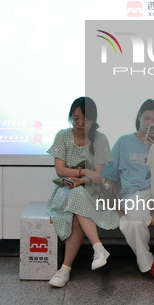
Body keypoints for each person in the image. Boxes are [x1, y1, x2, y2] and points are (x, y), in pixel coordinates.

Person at [46, 97, 120, 288]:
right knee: (76, 198)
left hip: (93, 191)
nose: (79, 123)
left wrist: (82, 179)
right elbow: (60, 171)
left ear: (94, 119)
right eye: (75, 118)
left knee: (78, 204)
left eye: (84, 120)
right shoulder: (62, 136)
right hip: (65, 191)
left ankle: (65, 270)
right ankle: (98, 247)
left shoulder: (100, 139)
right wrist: (83, 172)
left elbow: (97, 176)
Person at [102, 99, 154, 281]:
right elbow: (108, 178)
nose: (151, 123)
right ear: (139, 118)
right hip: (135, 195)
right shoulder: (124, 142)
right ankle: (150, 264)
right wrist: (117, 208)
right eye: (147, 118)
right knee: (132, 223)